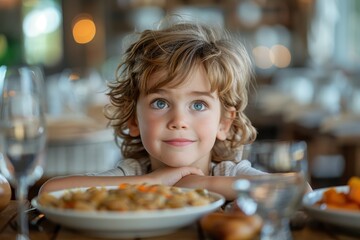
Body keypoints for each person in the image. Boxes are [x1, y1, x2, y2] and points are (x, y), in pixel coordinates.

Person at [40, 20, 264, 200]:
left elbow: (291, 188)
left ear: (223, 123)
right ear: (133, 120)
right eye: (160, 103)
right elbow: (50, 192)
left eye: (198, 105)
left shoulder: (227, 173)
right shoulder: (135, 173)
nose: (178, 121)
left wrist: (201, 184)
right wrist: (154, 182)